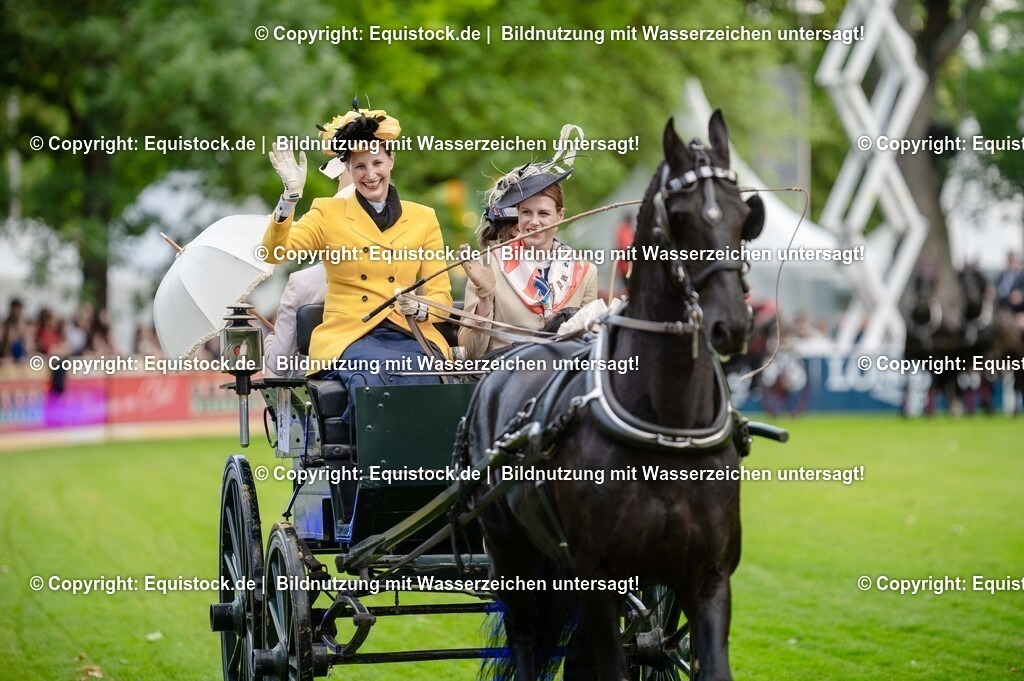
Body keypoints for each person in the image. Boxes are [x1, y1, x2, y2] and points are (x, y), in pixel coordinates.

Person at [261, 102, 452, 414]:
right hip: (349, 336)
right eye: (360, 166)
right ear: (347, 169)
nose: (370, 174)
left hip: (409, 334)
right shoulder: (327, 211)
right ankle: (372, 458)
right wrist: (290, 197)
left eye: (377, 162)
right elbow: (276, 252)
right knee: (373, 377)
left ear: (391, 160)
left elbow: (441, 296)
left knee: (427, 375)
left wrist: (421, 308)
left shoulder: (424, 218)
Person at [459, 160, 597, 359]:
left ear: (560, 216)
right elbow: (470, 352)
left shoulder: (585, 272)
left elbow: (590, 345)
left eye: (543, 213)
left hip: (561, 379)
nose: (534, 222)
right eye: (526, 213)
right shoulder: (489, 264)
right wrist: (485, 299)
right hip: (504, 377)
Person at [263, 167, 356, 378]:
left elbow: (279, 363)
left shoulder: (301, 283)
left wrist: (270, 339)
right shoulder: (398, 276)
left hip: (318, 393)